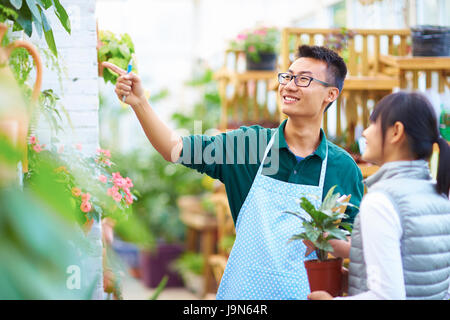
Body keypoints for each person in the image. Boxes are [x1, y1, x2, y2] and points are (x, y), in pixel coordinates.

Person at [103, 45, 364, 300]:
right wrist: (139, 103)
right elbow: (174, 148)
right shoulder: (250, 146)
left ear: (330, 94)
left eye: (304, 79)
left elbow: (358, 249)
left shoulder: (342, 168)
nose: (289, 85)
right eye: (288, 76)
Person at [309, 91, 450, 300]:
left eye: (373, 124)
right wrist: (354, 276)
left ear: (396, 131)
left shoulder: (381, 201)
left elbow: (388, 296)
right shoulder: (438, 194)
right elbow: (417, 273)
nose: (365, 133)